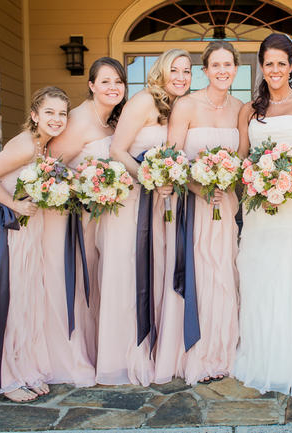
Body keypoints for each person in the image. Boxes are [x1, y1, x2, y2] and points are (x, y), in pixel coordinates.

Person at [233, 33, 292, 396]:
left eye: (281, 63)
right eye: (268, 63)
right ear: (262, 66)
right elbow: (244, 155)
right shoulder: (249, 110)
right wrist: (254, 179)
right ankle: (260, 356)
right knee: (260, 271)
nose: (275, 70)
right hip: (259, 207)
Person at [0, 86, 69, 402]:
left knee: (24, 303)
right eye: (49, 112)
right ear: (34, 115)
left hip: (24, 233)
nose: (57, 119)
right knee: (4, 303)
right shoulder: (25, 145)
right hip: (1, 230)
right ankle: (3, 378)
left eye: (62, 113)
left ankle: (22, 369)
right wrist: (16, 204)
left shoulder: (43, 148)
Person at [96, 49, 192, 385]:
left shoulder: (180, 106)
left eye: (187, 71)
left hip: (163, 203)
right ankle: (125, 355)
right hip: (135, 201)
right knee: (129, 271)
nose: (180, 77)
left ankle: (158, 348)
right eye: (174, 70)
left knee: (158, 271)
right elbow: (117, 150)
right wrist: (149, 179)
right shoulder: (143, 101)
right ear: (160, 72)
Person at [161, 40, 242, 385]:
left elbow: (243, 162)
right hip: (195, 204)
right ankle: (199, 352)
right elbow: (171, 158)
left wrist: (228, 181)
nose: (222, 71)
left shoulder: (241, 107)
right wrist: (200, 188)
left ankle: (224, 350)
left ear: (235, 69)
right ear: (205, 70)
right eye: (216, 65)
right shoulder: (186, 105)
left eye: (228, 65)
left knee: (225, 273)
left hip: (228, 204)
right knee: (201, 272)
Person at [44, 57, 126, 386]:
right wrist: (85, 187)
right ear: (91, 85)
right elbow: (51, 168)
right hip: (70, 218)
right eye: (105, 81)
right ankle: (67, 355)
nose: (113, 87)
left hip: (98, 218)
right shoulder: (77, 119)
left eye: (118, 81)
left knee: (91, 283)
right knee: (73, 285)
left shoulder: (112, 122)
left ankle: (93, 352)